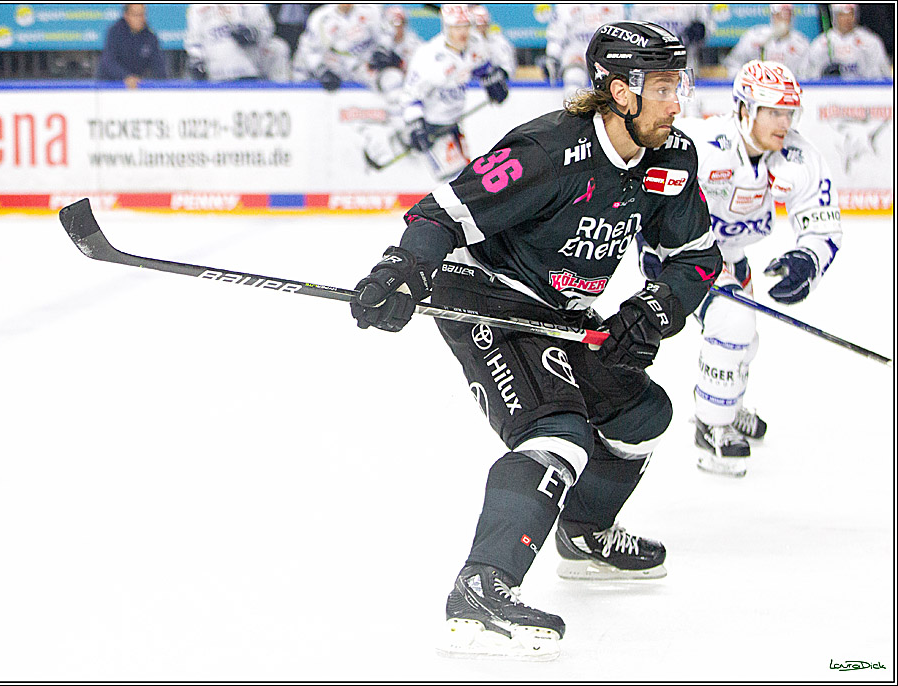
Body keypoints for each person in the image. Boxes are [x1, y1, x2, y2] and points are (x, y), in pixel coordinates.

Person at [350, 21, 720, 659]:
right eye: (663, 87)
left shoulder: (672, 157)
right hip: (483, 294)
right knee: (558, 430)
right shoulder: (550, 149)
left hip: (562, 309)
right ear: (620, 91)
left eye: (677, 85)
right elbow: (445, 211)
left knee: (640, 413)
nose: (676, 102)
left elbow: (696, 257)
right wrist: (403, 269)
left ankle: (584, 534)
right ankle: (481, 587)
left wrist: (656, 306)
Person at [640, 60, 842, 477]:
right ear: (744, 109)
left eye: (789, 112)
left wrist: (809, 260)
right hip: (686, 256)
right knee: (734, 324)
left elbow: (822, 219)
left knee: (745, 341)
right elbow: (645, 187)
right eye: (773, 112)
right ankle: (712, 426)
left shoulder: (798, 155)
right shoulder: (702, 142)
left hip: (731, 256)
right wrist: (648, 245)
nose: (783, 122)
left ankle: (728, 404)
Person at [395, 4, 509, 181]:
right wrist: (416, 125)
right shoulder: (428, 57)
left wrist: (493, 81)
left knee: (468, 176)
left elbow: (482, 68)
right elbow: (410, 97)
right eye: (456, 27)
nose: (462, 32)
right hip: (432, 127)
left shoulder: (475, 44)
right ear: (446, 27)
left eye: (466, 26)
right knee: (455, 181)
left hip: (454, 123)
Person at [291, 4, 394, 92]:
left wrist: (382, 50)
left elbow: (386, 33)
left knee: (392, 79)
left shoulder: (370, 9)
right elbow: (309, 49)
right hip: (335, 68)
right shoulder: (320, 17)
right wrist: (322, 71)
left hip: (365, 64)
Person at [184, 4, 290, 83]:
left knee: (279, 47)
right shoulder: (197, 8)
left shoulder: (251, 5)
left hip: (248, 73)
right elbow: (193, 41)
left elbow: (266, 28)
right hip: (216, 77)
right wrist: (197, 60)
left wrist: (253, 34)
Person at [544, 5, 626, 90]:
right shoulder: (564, 6)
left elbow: (622, 33)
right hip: (576, 50)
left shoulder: (616, 5)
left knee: (611, 82)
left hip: (604, 52)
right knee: (574, 75)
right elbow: (556, 34)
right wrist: (552, 55)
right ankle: (572, 101)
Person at [806, 4, 892, 80]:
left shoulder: (870, 42)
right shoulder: (821, 43)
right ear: (834, 16)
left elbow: (882, 74)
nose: (847, 19)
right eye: (842, 15)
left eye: (850, 14)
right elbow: (810, 75)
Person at [723, 4, 810, 78]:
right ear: (773, 16)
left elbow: (806, 75)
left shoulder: (801, 43)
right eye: (780, 16)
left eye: (787, 16)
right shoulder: (754, 37)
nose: (784, 21)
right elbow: (733, 64)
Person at [97, 4, 168, 88]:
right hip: (110, 85)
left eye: (142, 14)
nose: (140, 19)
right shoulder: (115, 32)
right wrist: (126, 77)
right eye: (136, 15)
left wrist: (164, 85)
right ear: (126, 15)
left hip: (136, 86)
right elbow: (108, 61)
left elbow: (158, 65)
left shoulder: (150, 36)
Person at [470, 5, 517, 80]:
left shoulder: (499, 42)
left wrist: (496, 73)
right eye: (476, 26)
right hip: (471, 85)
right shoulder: (464, 44)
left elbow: (508, 69)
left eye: (483, 25)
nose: (480, 28)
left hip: (496, 85)